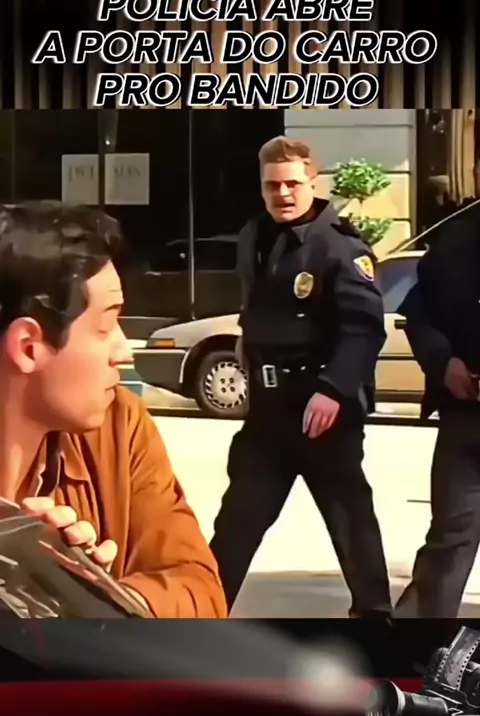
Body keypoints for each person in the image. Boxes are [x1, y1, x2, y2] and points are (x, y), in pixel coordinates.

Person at [0, 201, 227, 618]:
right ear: (28, 347)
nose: (124, 352)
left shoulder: (118, 423)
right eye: (106, 326)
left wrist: (99, 597)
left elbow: (199, 587)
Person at [209, 136, 392, 620]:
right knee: (237, 522)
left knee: (350, 523)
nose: (283, 193)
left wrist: (333, 389)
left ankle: (376, 622)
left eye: (292, 183)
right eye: (273, 185)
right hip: (269, 413)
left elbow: (364, 329)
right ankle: (199, 614)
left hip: (321, 411)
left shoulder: (340, 246)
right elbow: (257, 303)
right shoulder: (254, 235)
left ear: (313, 181)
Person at [394, 200, 480, 618]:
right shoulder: (455, 239)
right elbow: (417, 314)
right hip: (465, 419)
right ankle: (413, 645)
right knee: (449, 541)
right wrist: (443, 362)